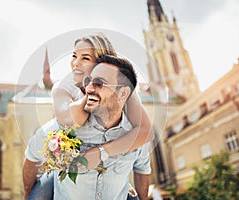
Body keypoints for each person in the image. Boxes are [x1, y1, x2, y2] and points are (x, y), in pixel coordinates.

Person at [23, 33, 152, 199]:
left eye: (85, 58)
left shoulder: (121, 89)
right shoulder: (64, 87)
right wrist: (92, 92)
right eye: (74, 56)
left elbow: (145, 131)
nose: (76, 63)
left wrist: (101, 153)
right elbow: (74, 120)